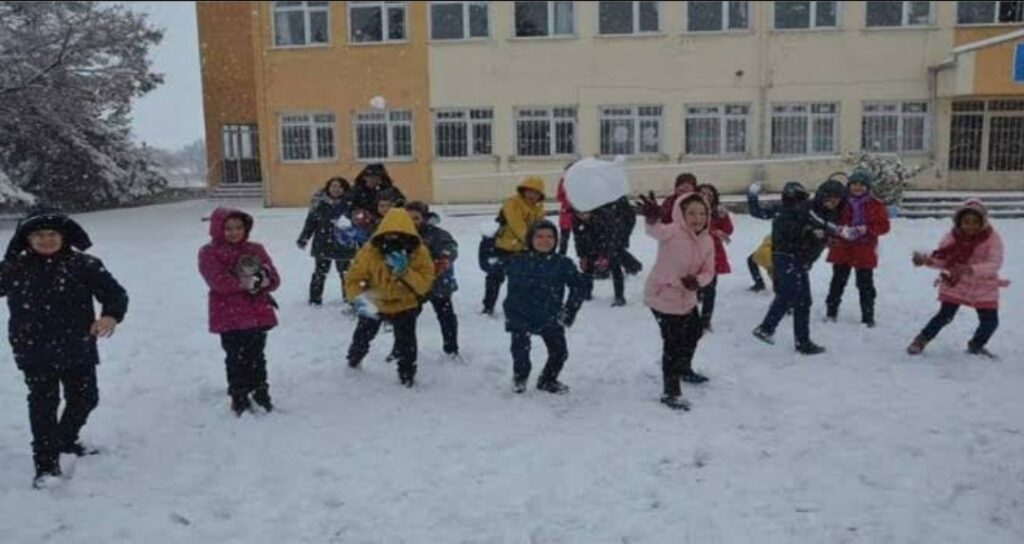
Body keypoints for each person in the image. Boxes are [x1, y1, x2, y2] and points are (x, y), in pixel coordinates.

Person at [1, 206, 128, 488]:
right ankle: (46, 466)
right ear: (26, 239)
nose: (46, 240)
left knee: (86, 398)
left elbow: (115, 294)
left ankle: (65, 439)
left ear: (64, 235)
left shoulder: (84, 264)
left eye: (52, 234)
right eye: (38, 235)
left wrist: (110, 314)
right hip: (33, 351)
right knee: (43, 406)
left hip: (78, 347)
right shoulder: (13, 269)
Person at [637, 192, 715, 410]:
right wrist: (652, 217)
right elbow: (654, 230)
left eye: (702, 213)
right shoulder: (671, 232)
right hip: (662, 295)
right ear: (681, 214)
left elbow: (710, 270)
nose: (697, 218)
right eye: (691, 213)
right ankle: (671, 391)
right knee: (673, 343)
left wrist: (698, 281)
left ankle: (684, 368)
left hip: (687, 297)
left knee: (694, 331)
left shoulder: (707, 240)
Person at [199, 208, 281, 416]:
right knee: (235, 358)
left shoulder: (255, 249)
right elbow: (218, 282)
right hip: (229, 316)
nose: (234, 232)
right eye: (228, 228)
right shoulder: (209, 252)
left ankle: (261, 392)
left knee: (257, 357)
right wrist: (249, 282)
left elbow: (273, 278)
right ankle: (239, 396)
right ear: (218, 229)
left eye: (238, 228)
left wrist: (263, 280)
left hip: (257, 314)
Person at [751, 180, 846, 355]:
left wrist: (827, 239)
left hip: (802, 259)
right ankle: (766, 328)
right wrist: (810, 232)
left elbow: (823, 234)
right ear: (821, 195)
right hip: (787, 255)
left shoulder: (830, 215)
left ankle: (802, 342)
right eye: (829, 198)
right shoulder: (805, 208)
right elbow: (786, 227)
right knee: (788, 293)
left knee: (803, 302)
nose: (832, 203)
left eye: (836, 200)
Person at [345, 208, 435, 387]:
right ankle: (354, 358)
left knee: (406, 343)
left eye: (399, 235)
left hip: (405, 304)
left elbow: (425, 283)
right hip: (375, 302)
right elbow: (354, 278)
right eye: (389, 234)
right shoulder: (369, 251)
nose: (394, 239)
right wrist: (357, 300)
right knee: (363, 336)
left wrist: (404, 271)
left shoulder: (418, 252)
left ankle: (407, 374)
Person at [907, 200, 1008, 358]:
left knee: (990, 322)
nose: (970, 226)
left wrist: (971, 269)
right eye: (966, 222)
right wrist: (927, 261)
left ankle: (976, 345)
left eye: (975, 222)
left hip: (983, 285)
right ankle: (921, 339)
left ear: (983, 222)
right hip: (955, 282)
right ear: (959, 222)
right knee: (945, 316)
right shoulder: (952, 237)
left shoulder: (992, 238)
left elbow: (995, 263)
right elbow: (944, 261)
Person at [500, 220, 590, 394]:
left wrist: (570, 310)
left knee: (559, 353)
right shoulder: (516, 260)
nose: (545, 240)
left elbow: (579, 286)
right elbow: (490, 267)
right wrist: (488, 243)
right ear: (530, 239)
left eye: (550, 236)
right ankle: (520, 377)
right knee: (520, 353)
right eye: (539, 236)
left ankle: (548, 380)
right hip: (519, 314)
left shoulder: (562, 263)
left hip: (550, 314)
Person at [825, 170, 891, 327]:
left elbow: (884, 226)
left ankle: (868, 317)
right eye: (854, 184)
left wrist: (865, 229)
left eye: (862, 184)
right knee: (837, 282)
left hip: (864, 249)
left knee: (865, 284)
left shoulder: (876, 204)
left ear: (868, 187)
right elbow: (829, 219)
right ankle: (831, 313)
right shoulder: (840, 202)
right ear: (849, 185)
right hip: (843, 247)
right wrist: (839, 229)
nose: (858, 187)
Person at [482, 176, 546, 315]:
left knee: (520, 281)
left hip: (524, 249)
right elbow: (517, 225)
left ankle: (516, 308)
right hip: (503, 247)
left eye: (536, 192)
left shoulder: (539, 209)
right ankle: (488, 306)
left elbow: (541, 228)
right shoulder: (512, 203)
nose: (532, 195)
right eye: (529, 191)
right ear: (523, 191)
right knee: (495, 277)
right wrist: (533, 242)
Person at [405, 202, 461, 359]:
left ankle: (451, 348)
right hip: (413, 284)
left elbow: (450, 247)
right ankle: (401, 350)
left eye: (416, 218)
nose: (412, 222)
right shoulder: (401, 234)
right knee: (405, 320)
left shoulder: (437, 234)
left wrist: (444, 258)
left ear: (425, 218)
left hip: (438, 283)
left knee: (446, 316)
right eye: (408, 218)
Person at [298, 177, 356, 306]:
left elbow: (357, 223)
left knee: (346, 273)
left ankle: (349, 297)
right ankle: (315, 299)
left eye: (339, 187)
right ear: (328, 188)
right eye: (333, 186)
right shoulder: (319, 203)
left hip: (343, 244)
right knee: (320, 272)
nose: (335, 189)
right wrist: (304, 238)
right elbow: (311, 223)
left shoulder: (350, 204)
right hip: (322, 243)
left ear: (344, 189)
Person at [696, 183, 734, 331]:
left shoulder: (717, 212)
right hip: (692, 253)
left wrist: (724, 218)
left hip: (712, 254)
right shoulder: (689, 210)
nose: (706, 197)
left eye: (710, 195)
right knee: (692, 286)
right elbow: (694, 228)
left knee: (710, 289)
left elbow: (728, 231)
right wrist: (713, 231)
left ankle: (705, 320)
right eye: (702, 194)